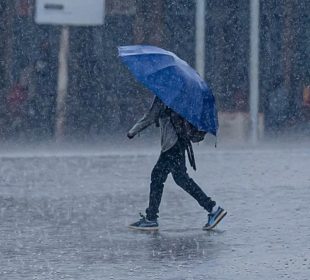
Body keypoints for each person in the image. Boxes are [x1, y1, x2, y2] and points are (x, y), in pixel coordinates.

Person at [127, 96, 227, 231]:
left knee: (157, 177)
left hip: (171, 145)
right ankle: (213, 208)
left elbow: (150, 117)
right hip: (180, 142)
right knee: (181, 179)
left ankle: (151, 218)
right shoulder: (181, 96)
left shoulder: (164, 95)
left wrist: (132, 132)